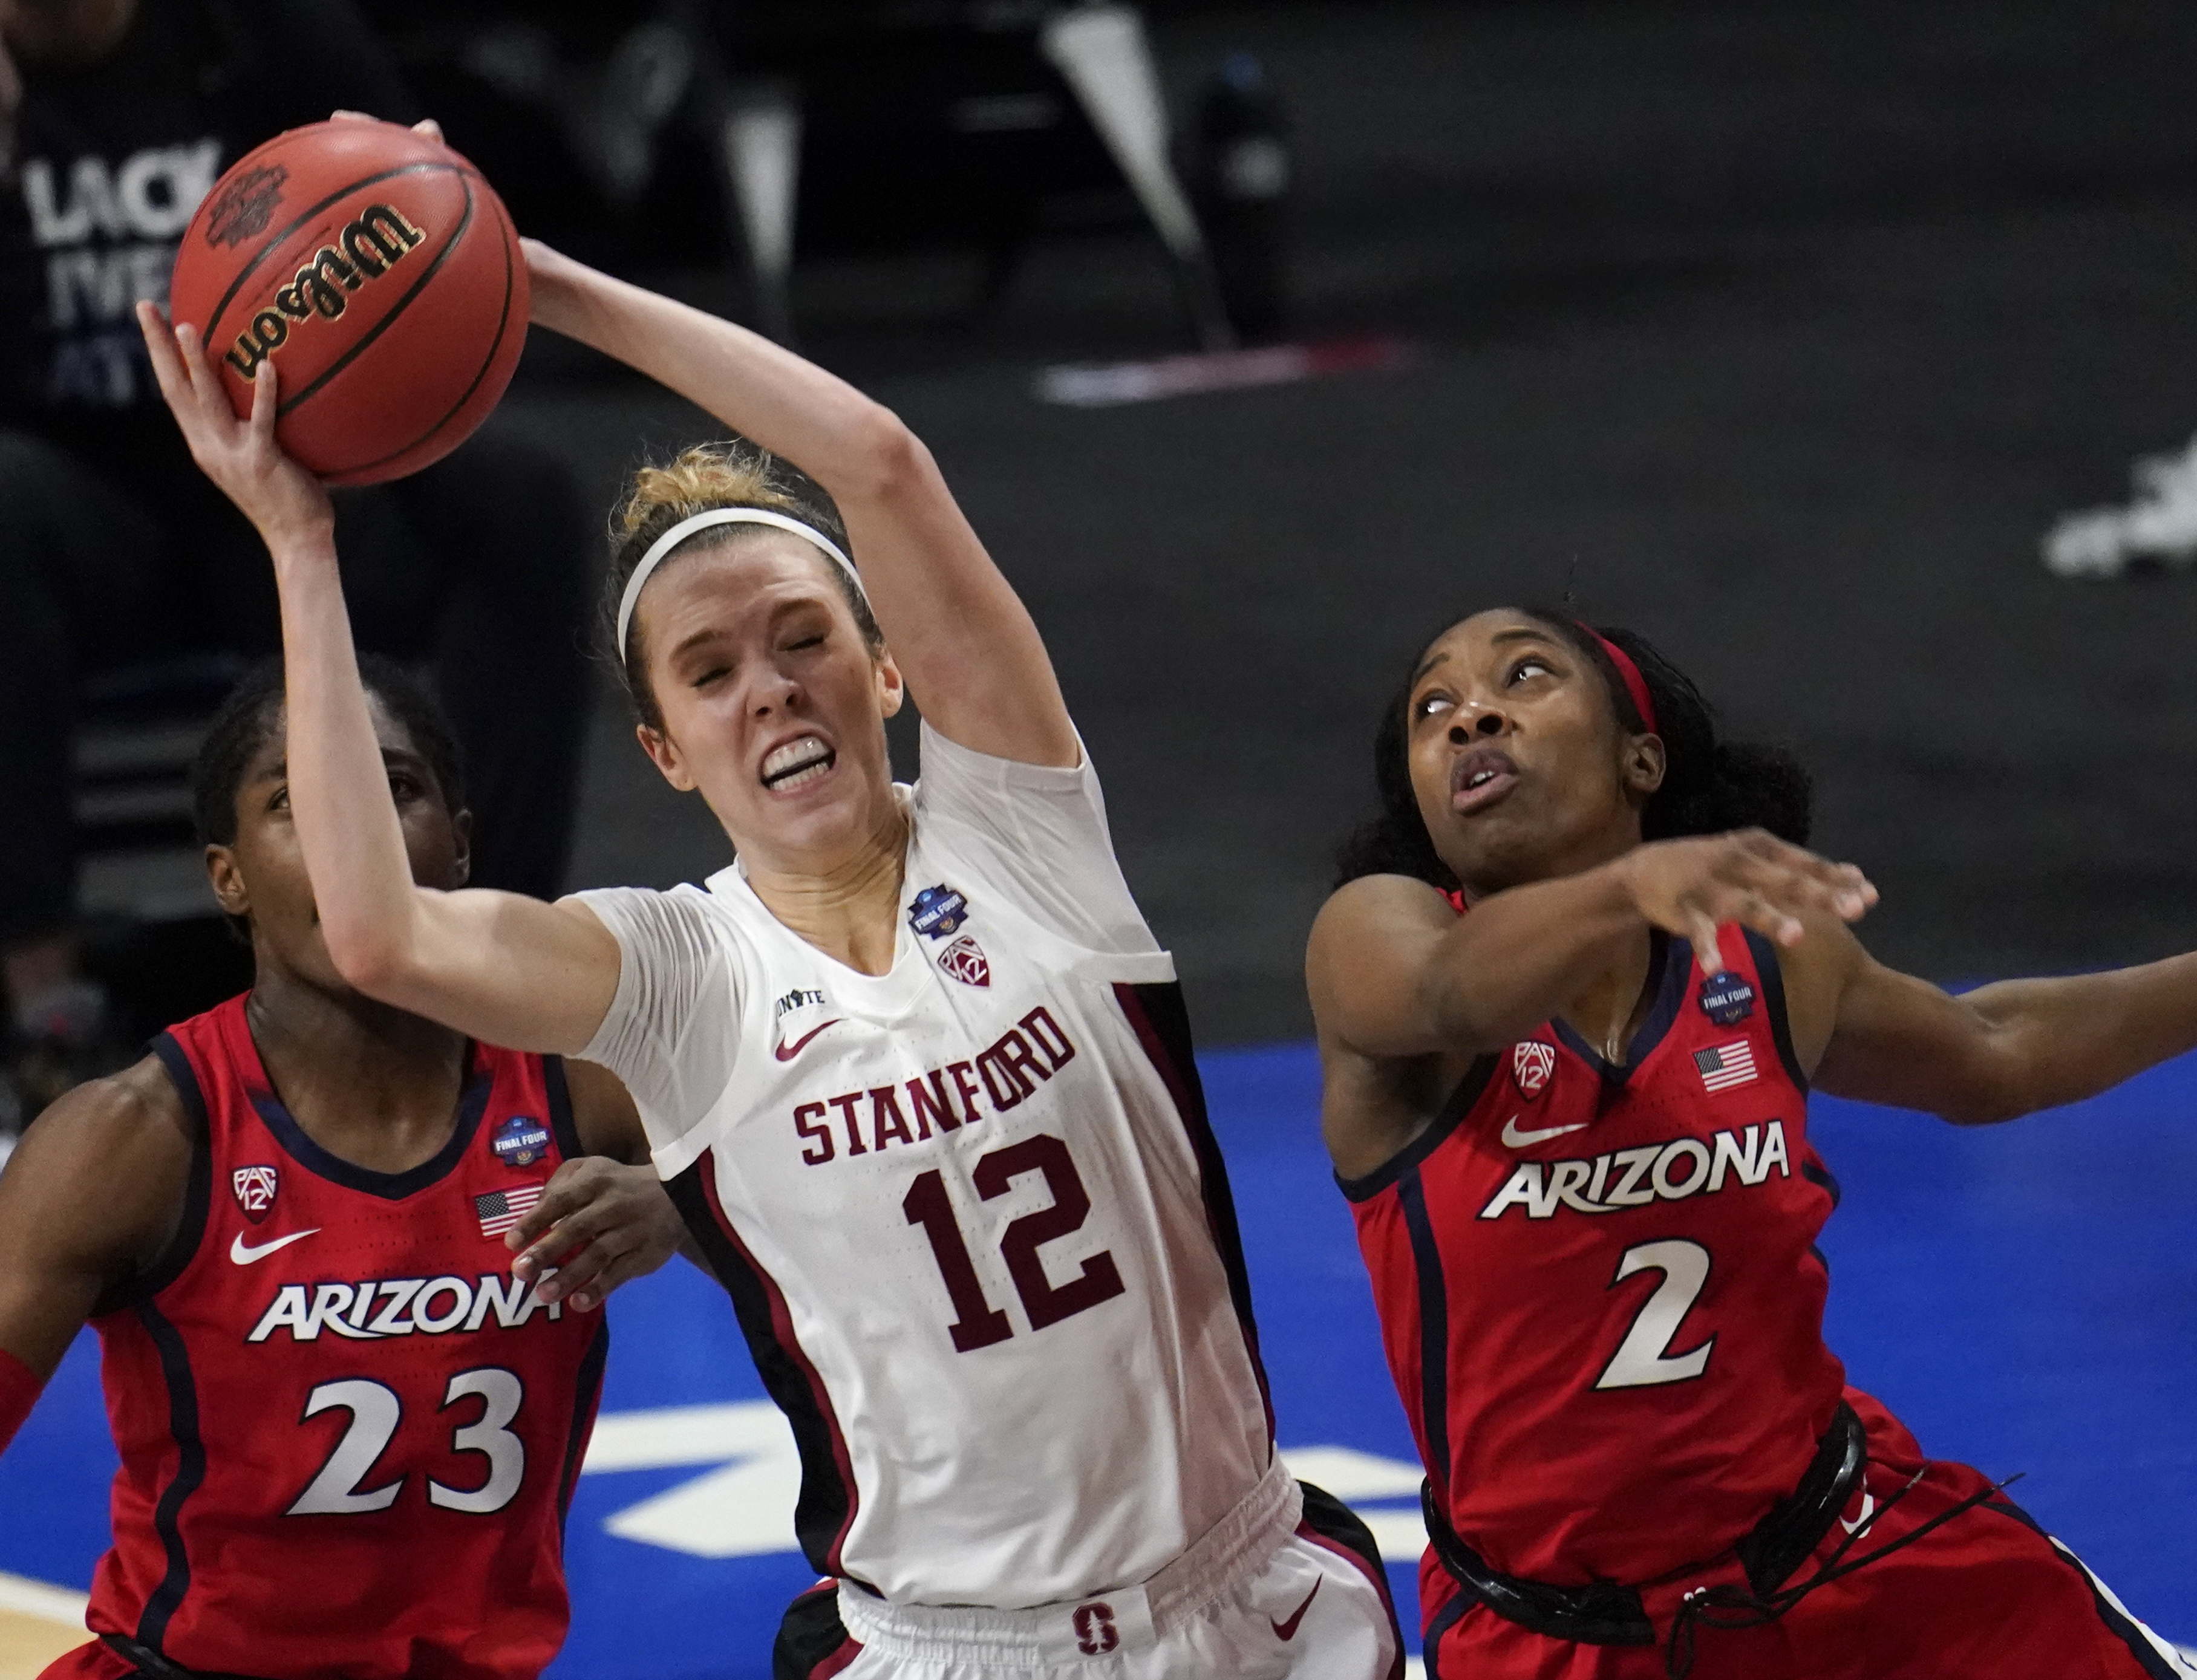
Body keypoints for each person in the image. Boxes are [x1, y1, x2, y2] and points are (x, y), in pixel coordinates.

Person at [133, 178, 1405, 1680]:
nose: (773, 687)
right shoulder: (681, 976)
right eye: (712, 672)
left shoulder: (1022, 837)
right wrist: (302, 542)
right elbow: (377, 933)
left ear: (884, 672)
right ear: (668, 752)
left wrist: (535, 284)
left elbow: (879, 462)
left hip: (1252, 1599)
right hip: (953, 1649)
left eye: (806, 639)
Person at [1305, 605, 2197, 1680]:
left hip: (1853, 1554)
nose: (1471, 713)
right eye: (1431, 706)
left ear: (1639, 761)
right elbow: (1451, 993)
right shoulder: (1375, 938)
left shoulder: (1758, 962)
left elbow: (1995, 1046)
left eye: (1524, 674)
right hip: (1562, 1638)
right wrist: (1632, 883)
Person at [0, 653, 691, 1680]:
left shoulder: (590, 1089)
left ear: (458, 848)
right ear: (226, 875)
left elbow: (853, 1257)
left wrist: (682, 1208)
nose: (351, 833)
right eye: (297, 800)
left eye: (392, 788)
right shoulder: (132, 1140)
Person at [0, 0, 591, 1122]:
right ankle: (44, 1002)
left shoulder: (259, 36)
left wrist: (428, 205)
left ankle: (496, 972)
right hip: (82, 518)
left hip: (290, 478)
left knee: (520, 496)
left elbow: (422, 226)